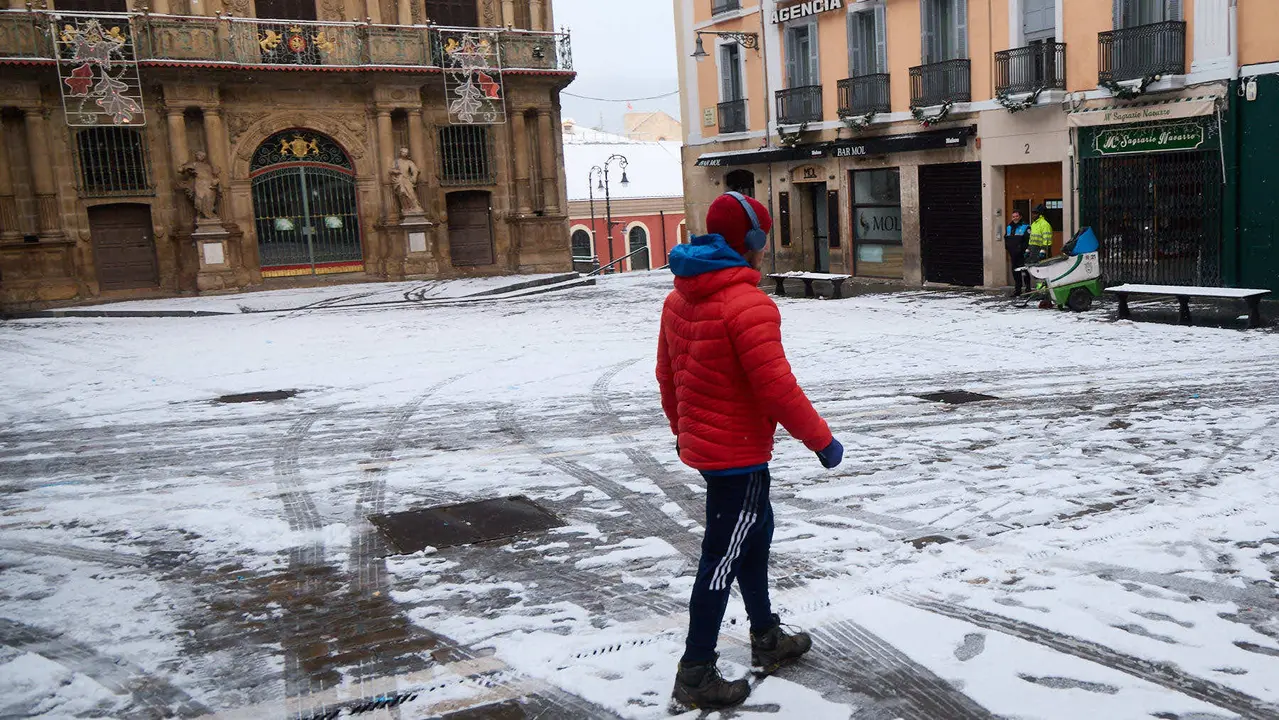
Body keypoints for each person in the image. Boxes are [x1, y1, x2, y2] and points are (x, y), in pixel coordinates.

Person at [656, 192, 844, 712]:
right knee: (721, 558)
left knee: (755, 533)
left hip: (722, 450)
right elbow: (776, 388)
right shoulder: (749, 305)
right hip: (736, 454)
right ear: (753, 243)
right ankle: (695, 672)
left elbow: (667, 375)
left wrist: (683, 430)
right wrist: (821, 441)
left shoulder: (680, 297)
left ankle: (765, 635)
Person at [1003, 209, 1030, 297]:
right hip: (1013, 254)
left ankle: (1028, 289)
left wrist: (1024, 250)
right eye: (1013, 216)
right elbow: (1006, 238)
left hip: (1023, 254)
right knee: (1015, 272)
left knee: (1025, 272)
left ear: (1020, 217)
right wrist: (1008, 248)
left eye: (1016, 216)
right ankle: (1017, 290)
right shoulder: (1009, 227)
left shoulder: (1026, 227)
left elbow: (1028, 240)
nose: (1015, 218)